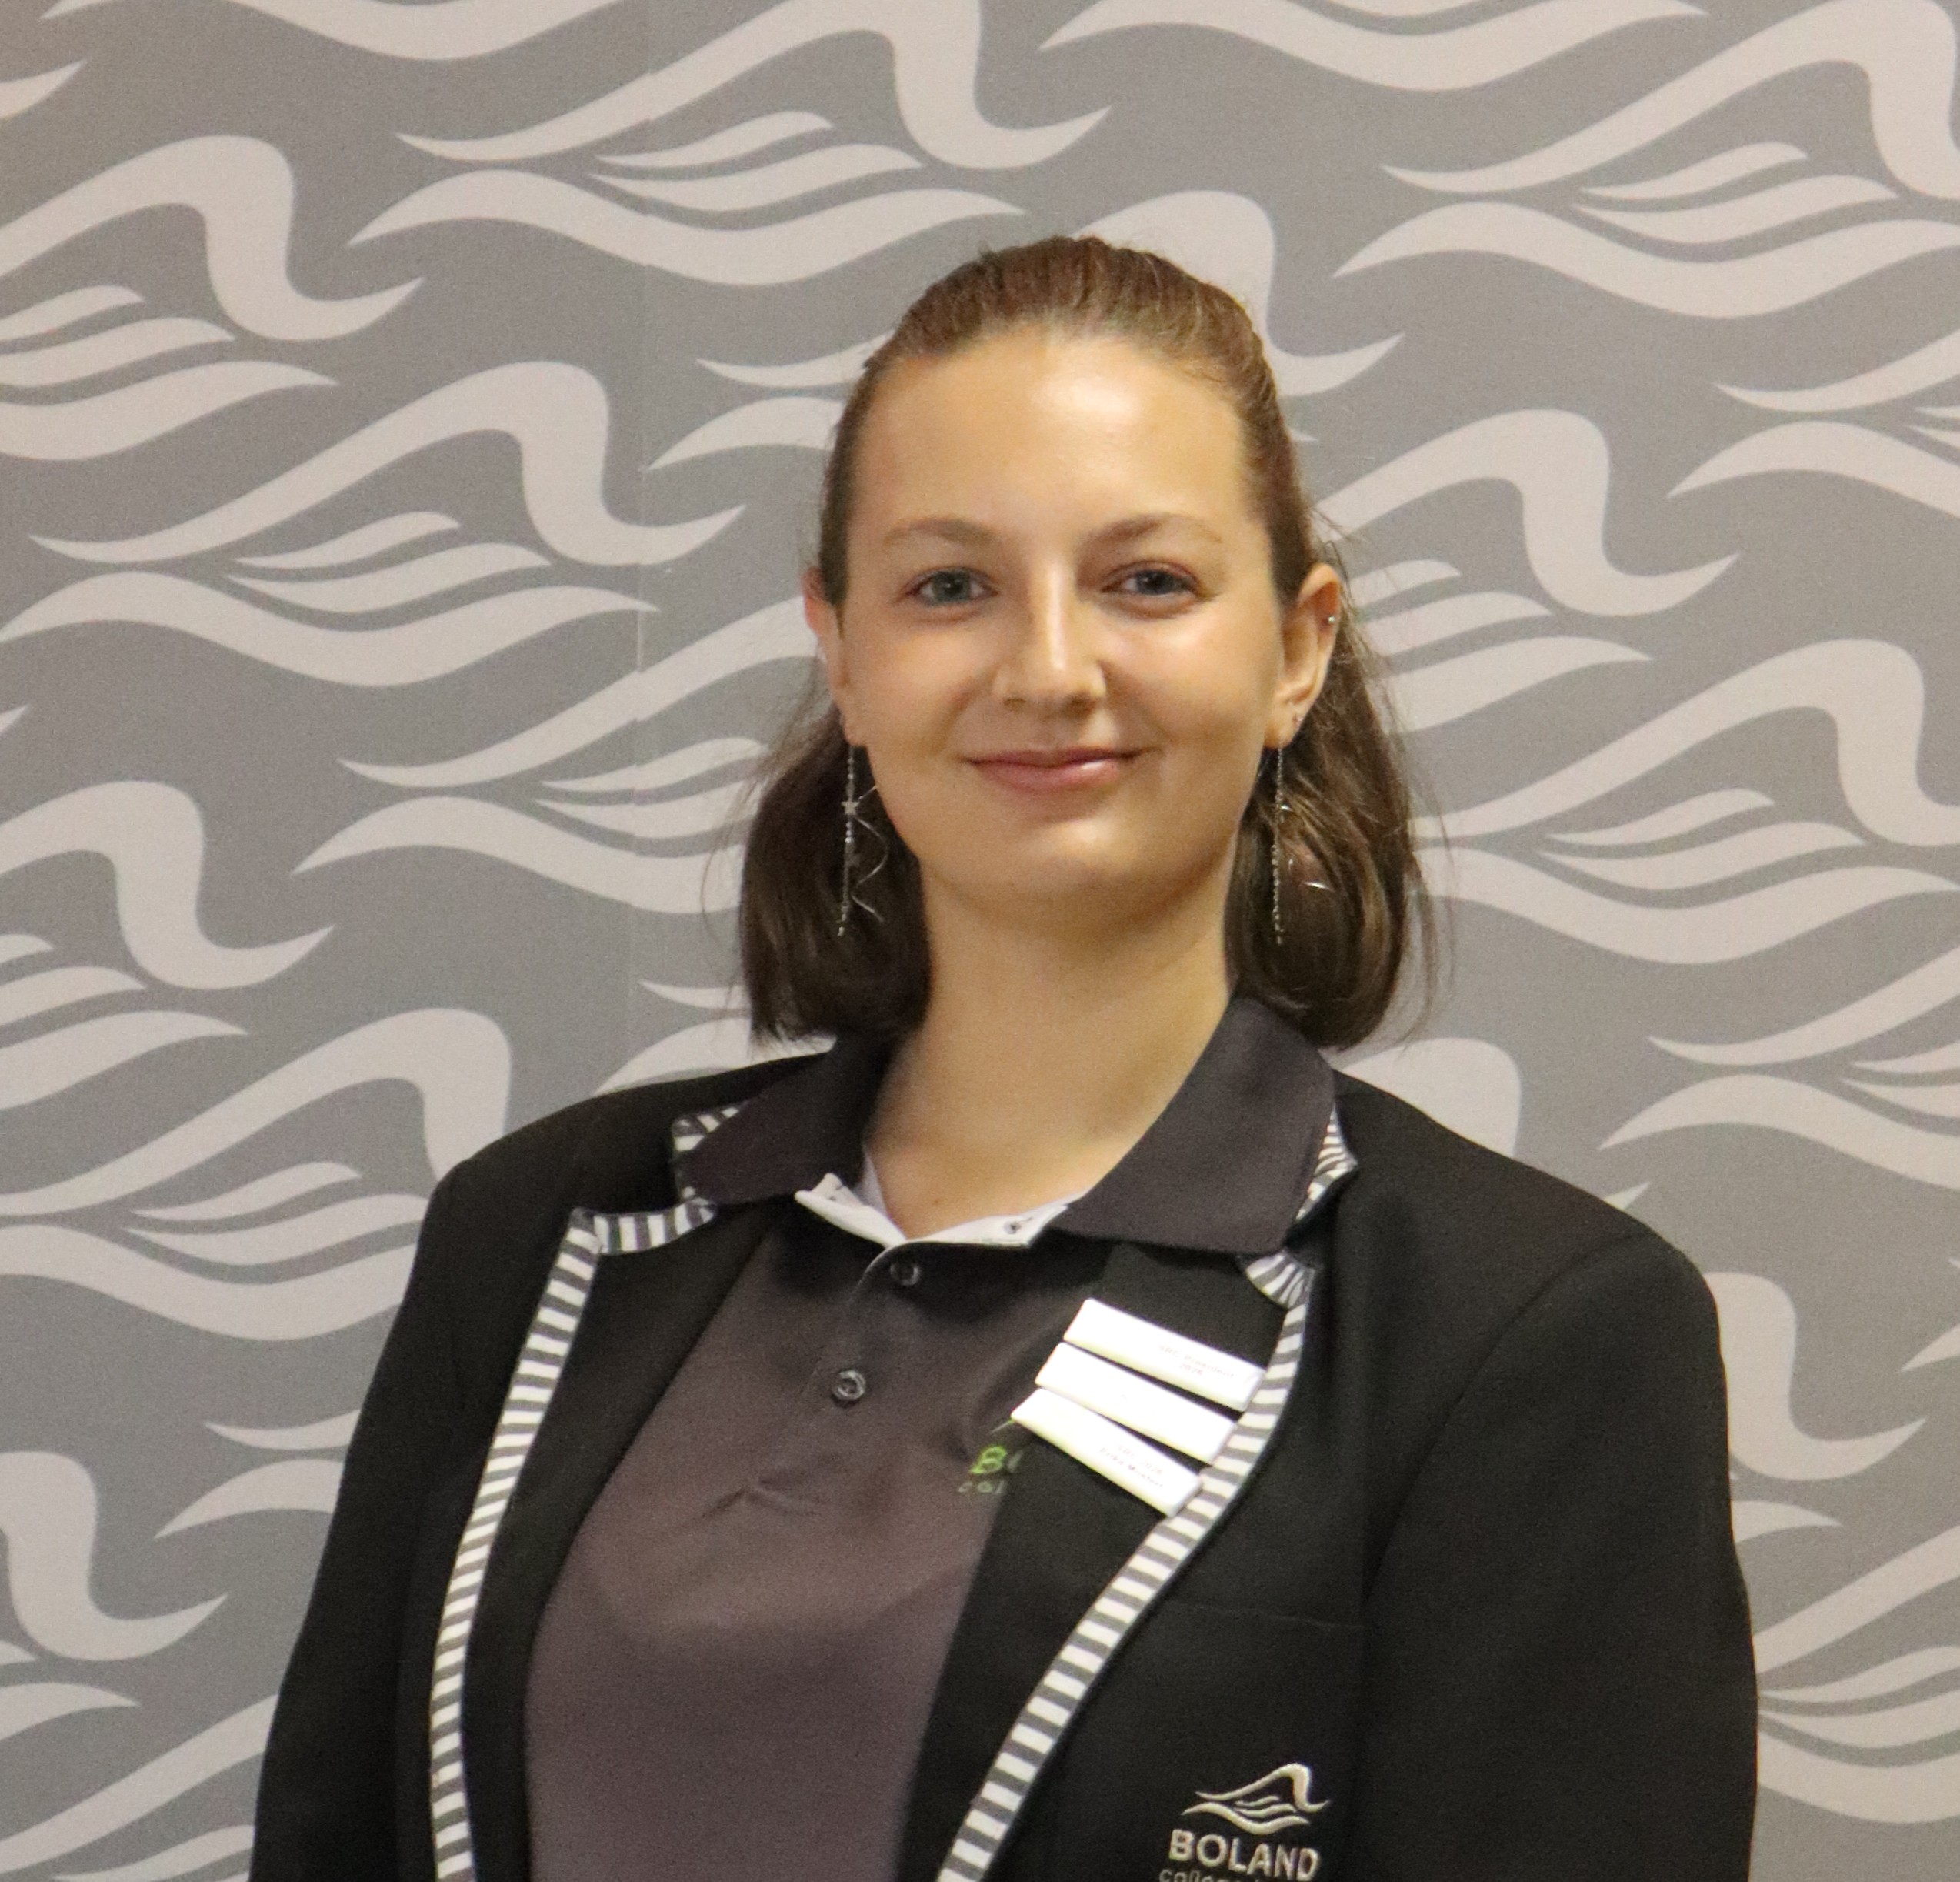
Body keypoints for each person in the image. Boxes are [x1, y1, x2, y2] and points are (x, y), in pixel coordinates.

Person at [248, 236, 1756, 1882]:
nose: (1047, 668)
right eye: (948, 587)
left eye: (1146, 581)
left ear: (1295, 648)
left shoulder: (1528, 1333)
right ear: (841, 650)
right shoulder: (535, 1229)